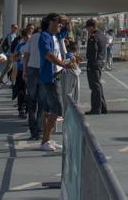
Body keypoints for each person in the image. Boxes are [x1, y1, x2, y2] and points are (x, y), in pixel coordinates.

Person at [38, 13, 77, 152]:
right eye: (58, 22)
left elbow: (68, 29)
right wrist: (63, 64)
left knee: (48, 109)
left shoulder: (56, 36)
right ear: (50, 23)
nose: (60, 25)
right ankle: (44, 140)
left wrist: (67, 20)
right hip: (50, 77)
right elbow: (48, 55)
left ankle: (47, 139)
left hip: (56, 75)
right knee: (57, 108)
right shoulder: (45, 37)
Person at [84, 18, 109, 114]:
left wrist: (90, 61)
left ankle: (96, 108)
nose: (87, 30)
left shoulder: (93, 37)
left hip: (93, 63)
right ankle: (103, 107)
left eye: (87, 27)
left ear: (92, 27)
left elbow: (93, 51)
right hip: (99, 62)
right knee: (98, 85)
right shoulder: (102, 35)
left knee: (94, 86)